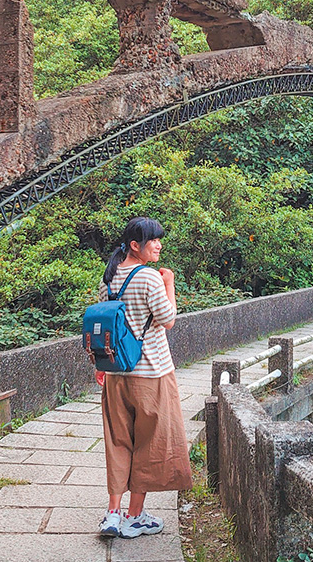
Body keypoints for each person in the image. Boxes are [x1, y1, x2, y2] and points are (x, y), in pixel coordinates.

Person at [97, 217, 193, 539]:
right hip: (151, 374)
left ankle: (112, 514)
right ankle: (134, 517)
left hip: (116, 374)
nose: (158, 245)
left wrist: (100, 365)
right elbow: (168, 320)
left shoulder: (109, 278)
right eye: (153, 240)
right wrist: (170, 284)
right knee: (149, 445)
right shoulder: (150, 277)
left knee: (118, 442)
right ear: (135, 245)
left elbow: (104, 328)